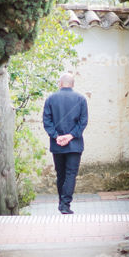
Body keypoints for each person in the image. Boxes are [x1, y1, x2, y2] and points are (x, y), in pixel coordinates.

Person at [42, 72, 88, 214]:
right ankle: (65, 205)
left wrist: (56, 136)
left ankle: (62, 203)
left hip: (57, 145)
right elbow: (83, 121)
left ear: (60, 83)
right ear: (73, 84)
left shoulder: (50, 99)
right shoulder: (81, 99)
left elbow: (47, 121)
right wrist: (71, 136)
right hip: (74, 145)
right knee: (70, 174)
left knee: (60, 174)